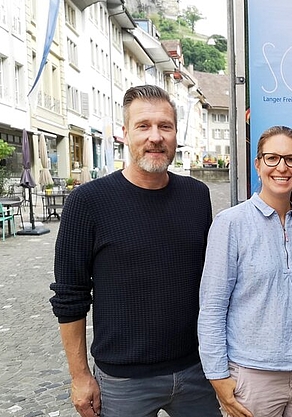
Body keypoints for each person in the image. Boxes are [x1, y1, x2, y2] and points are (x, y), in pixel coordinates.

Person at [50, 85, 221, 417]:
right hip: (123, 380)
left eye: (165, 126)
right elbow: (70, 295)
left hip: (197, 370)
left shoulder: (197, 196)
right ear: (125, 133)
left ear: (175, 135)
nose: (155, 137)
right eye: (144, 126)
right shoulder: (87, 203)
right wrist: (80, 376)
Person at [198, 125, 292, 417]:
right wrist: (217, 375)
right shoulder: (231, 224)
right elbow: (212, 307)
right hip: (252, 375)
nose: (282, 167)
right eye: (272, 158)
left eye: (291, 159)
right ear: (258, 164)